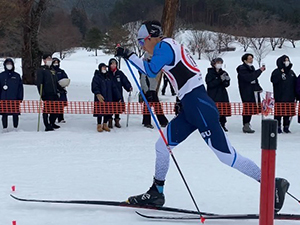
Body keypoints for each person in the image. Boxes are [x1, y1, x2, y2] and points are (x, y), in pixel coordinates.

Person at [115, 20, 289, 213]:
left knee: (227, 156)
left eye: (141, 42)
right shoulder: (168, 46)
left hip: (198, 106)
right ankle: (157, 191)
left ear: (152, 37)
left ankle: (271, 183)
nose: (142, 47)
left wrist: (128, 55)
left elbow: (150, 70)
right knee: (162, 145)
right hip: (190, 106)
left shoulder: (164, 46)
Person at [237, 53, 265, 133]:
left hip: (253, 91)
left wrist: (258, 87)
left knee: (251, 107)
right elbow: (250, 77)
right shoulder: (242, 69)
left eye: (252, 58)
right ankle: (246, 125)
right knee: (247, 107)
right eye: (249, 59)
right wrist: (259, 71)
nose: (251, 60)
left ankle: (247, 123)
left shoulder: (251, 68)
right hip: (246, 91)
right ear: (245, 60)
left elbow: (254, 79)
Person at [140, 53, 168, 128]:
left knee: (157, 106)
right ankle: (146, 121)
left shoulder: (153, 66)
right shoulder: (144, 66)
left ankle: (163, 121)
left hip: (153, 89)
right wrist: (146, 90)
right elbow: (143, 79)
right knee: (147, 106)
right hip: (148, 90)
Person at [36, 53, 63, 131]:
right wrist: (42, 94)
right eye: (48, 59)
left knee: (56, 109)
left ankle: (52, 122)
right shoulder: (41, 70)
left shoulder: (52, 70)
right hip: (47, 93)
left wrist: (60, 88)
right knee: (47, 110)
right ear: (44, 60)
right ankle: (47, 125)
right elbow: (39, 83)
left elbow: (56, 81)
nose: (49, 61)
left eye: (50, 59)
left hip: (55, 93)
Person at [271, 55, 297, 133]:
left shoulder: (291, 72)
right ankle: (277, 126)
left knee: (288, 113)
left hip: (290, 96)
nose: (287, 62)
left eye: (287, 60)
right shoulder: (276, 71)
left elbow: (295, 82)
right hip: (280, 96)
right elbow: (273, 80)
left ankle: (286, 126)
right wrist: (280, 74)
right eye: (285, 60)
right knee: (278, 113)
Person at [92, 63, 121, 132]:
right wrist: (97, 93)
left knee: (107, 112)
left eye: (105, 67)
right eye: (103, 67)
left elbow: (114, 87)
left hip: (109, 97)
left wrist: (118, 96)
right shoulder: (97, 77)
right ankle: (99, 125)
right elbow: (94, 86)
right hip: (100, 98)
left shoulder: (108, 77)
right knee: (99, 112)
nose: (105, 69)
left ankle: (105, 124)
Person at [205, 58, 231, 132]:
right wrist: (219, 79)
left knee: (223, 110)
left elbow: (226, 84)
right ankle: (213, 125)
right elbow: (210, 84)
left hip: (222, 94)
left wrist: (226, 80)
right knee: (214, 110)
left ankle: (223, 124)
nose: (219, 64)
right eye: (218, 62)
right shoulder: (210, 73)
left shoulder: (223, 72)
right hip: (213, 94)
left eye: (221, 62)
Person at [108, 58, 133, 128]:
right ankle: (109, 120)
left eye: (114, 64)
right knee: (110, 107)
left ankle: (117, 120)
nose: (113, 65)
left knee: (117, 107)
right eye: (112, 64)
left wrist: (128, 87)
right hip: (110, 93)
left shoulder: (119, 73)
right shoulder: (107, 74)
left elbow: (125, 81)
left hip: (118, 93)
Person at [0, 58, 23, 132]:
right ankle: (4, 127)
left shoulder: (17, 76)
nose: (9, 66)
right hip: (3, 98)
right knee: (4, 113)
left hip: (14, 98)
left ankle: (15, 127)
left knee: (15, 113)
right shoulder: (1, 75)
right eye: (7, 64)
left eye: (10, 64)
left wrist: (20, 98)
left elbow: (20, 88)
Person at [51, 57, 70, 123]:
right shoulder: (50, 71)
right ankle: (52, 118)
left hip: (61, 90)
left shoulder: (61, 71)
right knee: (53, 105)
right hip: (53, 90)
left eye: (57, 62)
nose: (56, 64)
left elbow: (65, 78)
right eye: (55, 62)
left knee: (61, 105)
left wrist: (64, 84)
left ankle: (61, 118)